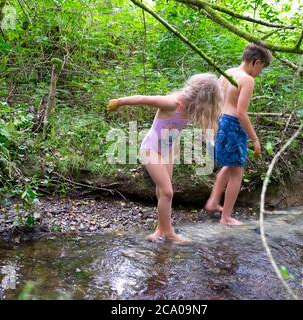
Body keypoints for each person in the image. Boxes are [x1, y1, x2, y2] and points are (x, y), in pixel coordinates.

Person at [107, 73, 223, 243]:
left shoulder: (191, 107)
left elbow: (210, 120)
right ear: (202, 96)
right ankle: (169, 233)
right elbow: (142, 99)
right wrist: (119, 102)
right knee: (168, 192)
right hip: (151, 150)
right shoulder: (172, 103)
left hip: (167, 151)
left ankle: (160, 230)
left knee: (163, 192)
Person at [205, 43, 272, 225]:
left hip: (220, 120)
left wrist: (212, 126)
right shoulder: (247, 80)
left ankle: (213, 201)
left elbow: (215, 102)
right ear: (256, 62)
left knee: (229, 165)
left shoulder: (227, 72)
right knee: (237, 172)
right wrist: (255, 139)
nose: (260, 72)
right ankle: (226, 217)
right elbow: (241, 113)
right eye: (261, 68)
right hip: (233, 124)